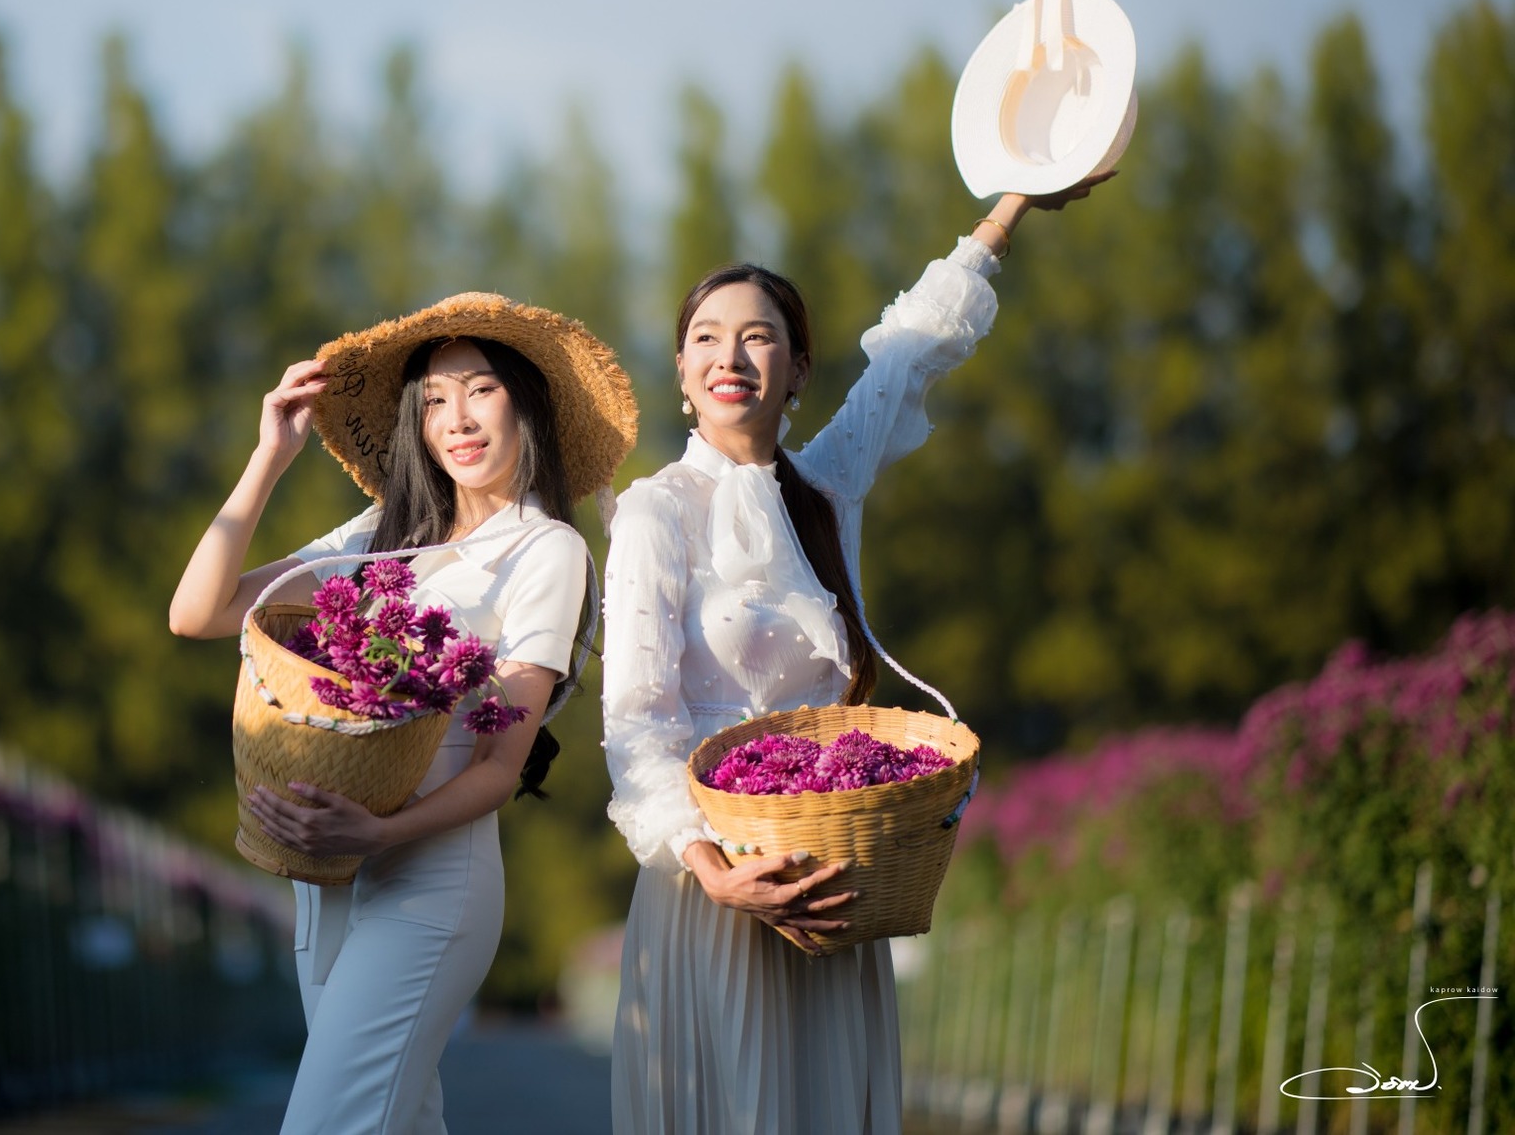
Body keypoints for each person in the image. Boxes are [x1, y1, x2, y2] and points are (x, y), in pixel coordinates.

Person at [602, 180, 1107, 1134]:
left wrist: (1012, 206)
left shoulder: (824, 489)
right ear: (679, 369)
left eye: (759, 335)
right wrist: (714, 869)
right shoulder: (657, 510)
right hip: (710, 888)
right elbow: (635, 718)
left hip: (840, 887)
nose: (731, 354)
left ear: (797, 370)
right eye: (707, 335)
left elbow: (911, 353)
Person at [171, 292, 636, 1135]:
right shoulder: (377, 540)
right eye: (433, 399)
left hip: (428, 878)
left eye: (481, 390)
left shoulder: (547, 550)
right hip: (329, 878)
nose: (456, 417)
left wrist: (378, 834)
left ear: (526, 402)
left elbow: (499, 764)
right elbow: (198, 611)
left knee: (328, 1125)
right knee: (398, 1121)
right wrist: (268, 457)